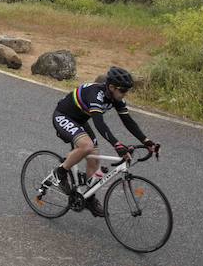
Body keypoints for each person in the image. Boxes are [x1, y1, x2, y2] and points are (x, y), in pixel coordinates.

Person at [49, 67, 159, 218]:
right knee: (87, 146)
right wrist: (117, 144)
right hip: (64, 116)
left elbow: (128, 121)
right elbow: (99, 123)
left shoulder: (116, 98)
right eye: (123, 91)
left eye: (127, 91)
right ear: (112, 87)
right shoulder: (96, 95)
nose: (125, 94)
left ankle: (89, 198)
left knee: (94, 158)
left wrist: (146, 141)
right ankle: (60, 172)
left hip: (80, 121)